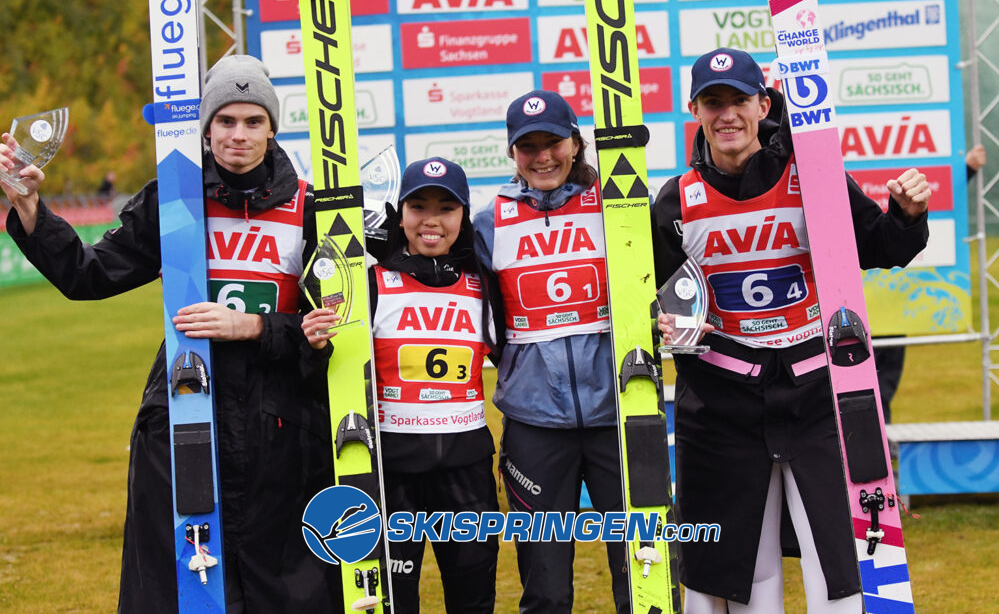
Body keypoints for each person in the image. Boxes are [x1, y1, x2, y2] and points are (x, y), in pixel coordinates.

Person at [1, 55, 339, 613]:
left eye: (252, 121)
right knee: (180, 584)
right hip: (184, 411)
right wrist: (30, 206)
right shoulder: (174, 198)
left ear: (272, 128)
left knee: (281, 585)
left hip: (279, 418)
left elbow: (332, 320)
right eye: (225, 121)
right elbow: (89, 275)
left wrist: (253, 326)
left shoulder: (309, 206)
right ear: (206, 128)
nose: (238, 134)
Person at [651, 48, 931, 613]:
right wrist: (660, 324)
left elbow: (879, 246)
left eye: (738, 101)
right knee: (742, 572)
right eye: (713, 102)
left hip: (817, 395)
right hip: (722, 404)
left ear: (763, 103)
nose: (727, 114)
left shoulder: (815, 177)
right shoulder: (676, 200)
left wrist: (904, 214)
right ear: (694, 110)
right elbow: (653, 301)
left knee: (839, 559)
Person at [303, 157, 500, 613]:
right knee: (393, 601)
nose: (431, 221)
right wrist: (312, 345)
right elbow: (329, 371)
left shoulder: (481, 286)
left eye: (446, 208)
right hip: (392, 471)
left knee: (473, 598)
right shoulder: (371, 284)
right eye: (419, 207)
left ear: (463, 217)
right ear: (401, 215)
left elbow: (513, 357)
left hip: (466, 470)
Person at [473, 90, 630, 613]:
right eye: (528, 146)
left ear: (575, 142)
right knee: (545, 586)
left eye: (553, 143)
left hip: (619, 414)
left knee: (643, 568)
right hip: (534, 425)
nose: (543, 156)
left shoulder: (616, 205)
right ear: (512, 153)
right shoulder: (488, 222)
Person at [875, 143, 986, 422]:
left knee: (884, 382)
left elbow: (937, 191)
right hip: (856, 299)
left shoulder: (912, 170)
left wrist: (966, 170)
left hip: (896, 300)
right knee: (847, 386)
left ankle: (882, 447)